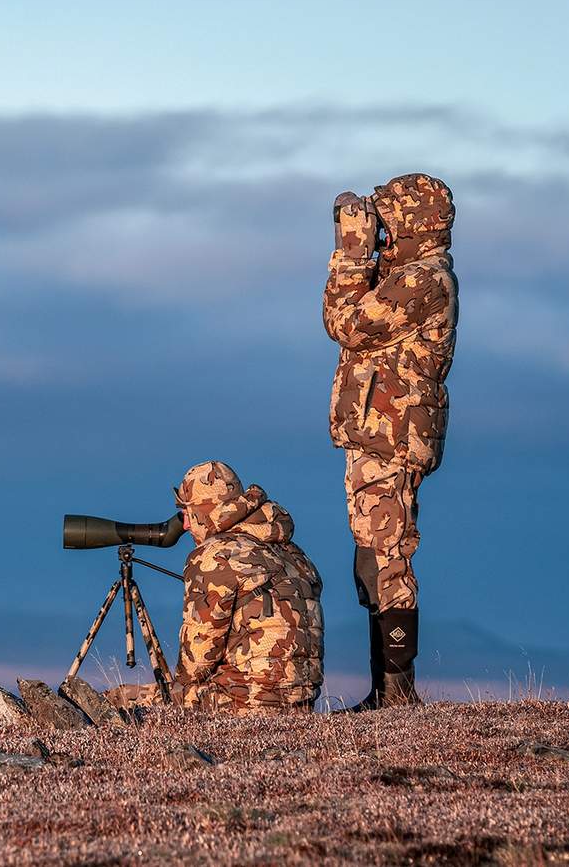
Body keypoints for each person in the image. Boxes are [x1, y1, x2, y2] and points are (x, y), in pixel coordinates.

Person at [324, 174, 458, 708]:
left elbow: (348, 323)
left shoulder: (426, 280)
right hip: (376, 433)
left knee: (388, 558)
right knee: (370, 561)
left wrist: (352, 252)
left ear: (413, 221)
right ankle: (385, 690)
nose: (381, 224)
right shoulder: (404, 274)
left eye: (388, 215)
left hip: (393, 437)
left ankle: (398, 696)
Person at [173, 461, 324, 712]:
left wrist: (177, 687)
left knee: (121, 701)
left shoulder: (215, 556)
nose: (185, 525)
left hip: (241, 703)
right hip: (301, 705)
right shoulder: (292, 552)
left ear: (204, 511)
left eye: (186, 514)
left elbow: (197, 660)